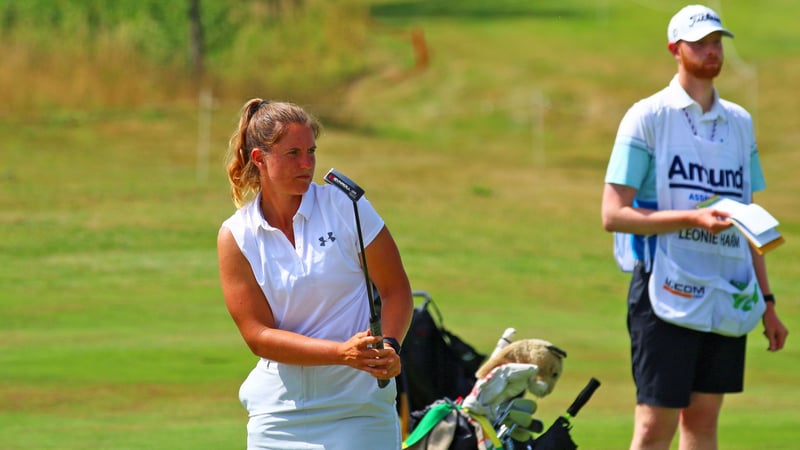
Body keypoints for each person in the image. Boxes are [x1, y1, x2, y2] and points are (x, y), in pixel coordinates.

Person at [601, 5, 789, 450]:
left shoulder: (740, 123)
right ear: (675, 49)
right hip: (665, 290)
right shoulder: (647, 116)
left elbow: (749, 218)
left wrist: (767, 302)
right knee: (653, 427)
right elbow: (613, 215)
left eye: (717, 42)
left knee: (703, 423)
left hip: (726, 290)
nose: (711, 51)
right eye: (700, 43)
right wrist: (693, 218)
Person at [217, 99, 414, 449]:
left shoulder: (346, 206)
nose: (307, 164)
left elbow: (396, 289)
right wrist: (341, 353)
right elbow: (258, 336)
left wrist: (390, 345)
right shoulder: (236, 235)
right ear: (260, 159)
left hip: (360, 411)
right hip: (279, 414)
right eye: (293, 153)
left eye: (311, 151)